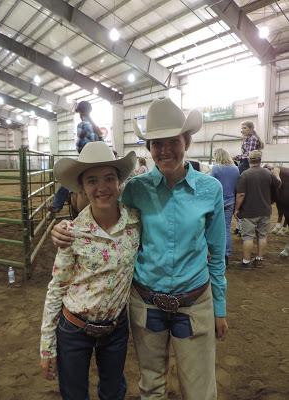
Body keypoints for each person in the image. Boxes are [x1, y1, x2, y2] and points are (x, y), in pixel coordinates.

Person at [51, 98, 228, 400]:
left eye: (173, 141)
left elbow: (217, 253)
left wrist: (220, 307)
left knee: (200, 390)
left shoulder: (210, 190)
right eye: (156, 143)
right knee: (151, 386)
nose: (165, 150)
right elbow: (102, 212)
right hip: (146, 303)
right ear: (149, 147)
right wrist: (66, 227)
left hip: (195, 301)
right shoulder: (135, 189)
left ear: (186, 140)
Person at [40, 141, 140, 400]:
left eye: (109, 178)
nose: (102, 187)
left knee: (113, 391)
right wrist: (46, 347)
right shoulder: (72, 232)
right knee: (73, 394)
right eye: (92, 180)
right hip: (74, 329)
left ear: (119, 183)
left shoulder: (136, 223)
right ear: (82, 188)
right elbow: (57, 287)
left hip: (115, 328)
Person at [50, 101, 103, 213]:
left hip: (87, 159)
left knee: (68, 179)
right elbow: (102, 144)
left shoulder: (82, 125)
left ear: (80, 112)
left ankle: (57, 204)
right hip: (101, 159)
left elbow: (80, 146)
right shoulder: (96, 128)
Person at [234, 150, 280, 268]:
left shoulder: (245, 174)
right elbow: (277, 184)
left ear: (249, 160)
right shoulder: (267, 173)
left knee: (248, 237)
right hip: (265, 210)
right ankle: (259, 259)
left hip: (249, 212)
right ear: (260, 160)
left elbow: (241, 194)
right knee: (262, 236)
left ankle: (246, 262)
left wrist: (237, 209)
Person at [211, 148, 240, 266]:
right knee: (227, 227)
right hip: (230, 200)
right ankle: (226, 255)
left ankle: (215, 252)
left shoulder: (216, 168)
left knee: (213, 227)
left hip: (217, 201)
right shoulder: (235, 169)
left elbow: (212, 184)